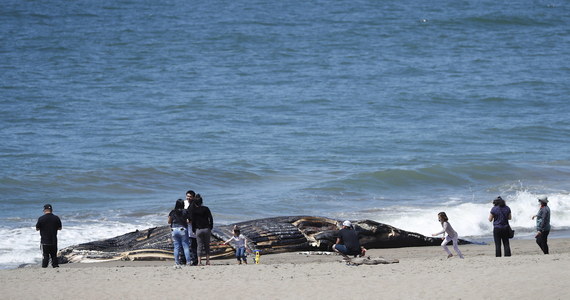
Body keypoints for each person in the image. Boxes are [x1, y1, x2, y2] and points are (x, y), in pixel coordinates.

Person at [35, 204, 62, 268]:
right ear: (51, 210)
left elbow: (37, 228)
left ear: (44, 210)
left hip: (44, 241)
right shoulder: (56, 218)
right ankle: (55, 267)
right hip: (53, 240)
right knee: (54, 256)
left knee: (45, 256)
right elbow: (60, 228)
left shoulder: (41, 218)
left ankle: (44, 267)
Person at [168, 199, 192, 268]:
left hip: (174, 229)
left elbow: (169, 221)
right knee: (185, 246)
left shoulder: (172, 212)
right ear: (183, 205)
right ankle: (188, 262)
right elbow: (189, 220)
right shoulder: (185, 211)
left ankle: (176, 262)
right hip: (182, 229)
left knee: (176, 247)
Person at [191, 194, 213, 265]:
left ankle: (199, 262)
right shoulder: (206, 208)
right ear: (201, 202)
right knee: (207, 245)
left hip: (198, 230)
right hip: (206, 229)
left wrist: (193, 230)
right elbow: (210, 218)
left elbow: (193, 221)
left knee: (199, 246)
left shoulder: (194, 211)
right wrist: (210, 227)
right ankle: (207, 261)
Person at [184, 190, 198, 265]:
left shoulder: (195, 204)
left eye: (190, 196)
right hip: (184, 226)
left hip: (193, 227)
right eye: (187, 196)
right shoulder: (184, 203)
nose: (188, 198)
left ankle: (194, 260)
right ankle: (185, 260)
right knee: (185, 244)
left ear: (193, 197)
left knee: (193, 244)